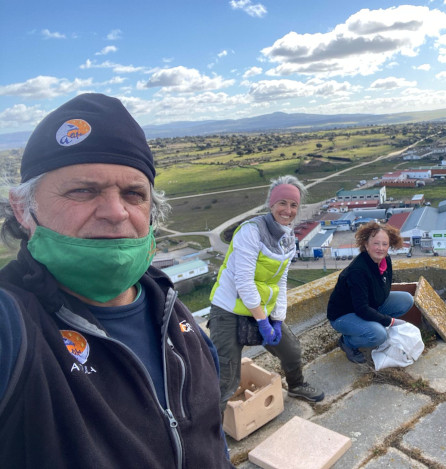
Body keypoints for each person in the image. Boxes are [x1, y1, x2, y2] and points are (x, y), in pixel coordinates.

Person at [0, 93, 233, 468]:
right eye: (82, 190)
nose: (114, 211)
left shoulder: (177, 315)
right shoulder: (13, 327)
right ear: (23, 209)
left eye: (133, 193)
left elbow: (211, 437)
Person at [208, 176, 324, 412]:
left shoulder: (288, 238)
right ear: (271, 204)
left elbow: (281, 279)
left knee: (291, 350)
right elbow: (243, 282)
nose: (288, 210)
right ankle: (212, 435)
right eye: (282, 203)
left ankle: (296, 385)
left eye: (293, 205)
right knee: (226, 377)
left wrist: (277, 320)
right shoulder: (251, 232)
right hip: (229, 309)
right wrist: (263, 322)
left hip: (260, 308)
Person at [327, 221, 414, 364]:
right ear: (366, 245)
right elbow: (361, 308)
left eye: (384, 244)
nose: (380, 248)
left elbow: (382, 290)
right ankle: (347, 342)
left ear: (389, 246)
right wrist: (390, 321)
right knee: (379, 335)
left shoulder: (385, 261)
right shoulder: (358, 271)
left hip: (369, 306)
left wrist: (380, 317)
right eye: (376, 243)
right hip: (343, 315)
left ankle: (371, 326)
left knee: (406, 299)